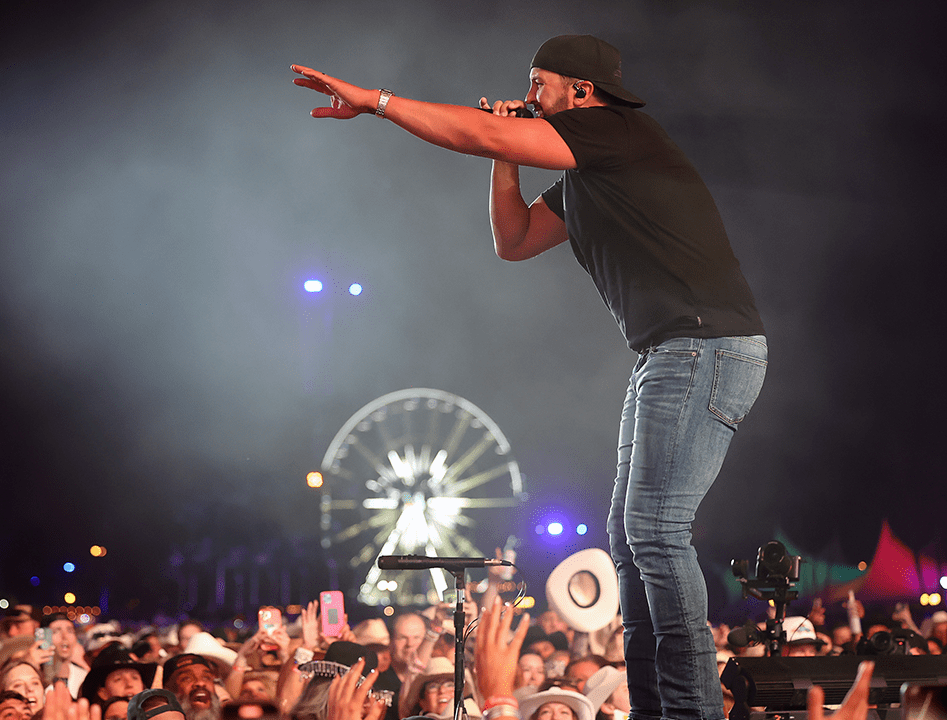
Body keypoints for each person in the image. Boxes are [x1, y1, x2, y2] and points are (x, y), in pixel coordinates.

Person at [292, 32, 767, 720]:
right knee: (630, 540)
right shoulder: (588, 176)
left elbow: (476, 130)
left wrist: (376, 102)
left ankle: (693, 711)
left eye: (538, 82)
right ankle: (658, 706)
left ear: (580, 91)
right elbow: (512, 242)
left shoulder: (616, 130)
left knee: (657, 532)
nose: (529, 95)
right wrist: (504, 154)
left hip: (704, 347)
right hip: (669, 353)